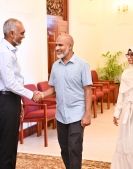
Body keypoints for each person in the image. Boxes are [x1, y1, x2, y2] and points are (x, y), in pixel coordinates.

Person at [0, 18, 41, 169]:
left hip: (10, 99)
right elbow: (10, 83)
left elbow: (13, 83)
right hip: (4, 100)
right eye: (22, 33)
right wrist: (32, 95)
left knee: (12, 143)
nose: (24, 36)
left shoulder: (9, 50)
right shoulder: (4, 52)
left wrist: (18, 102)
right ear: (12, 33)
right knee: (7, 145)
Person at [40, 34, 92, 169]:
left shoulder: (82, 65)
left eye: (60, 45)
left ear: (70, 46)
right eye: (56, 45)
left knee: (74, 148)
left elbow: (88, 90)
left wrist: (87, 114)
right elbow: (52, 88)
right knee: (64, 148)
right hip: (61, 115)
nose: (57, 48)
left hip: (76, 114)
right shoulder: (55, 66)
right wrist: (42, 94)